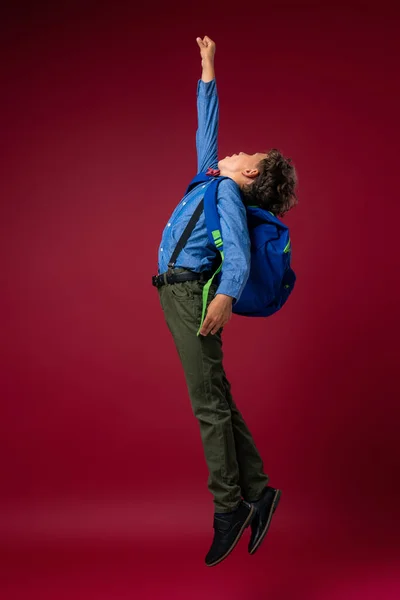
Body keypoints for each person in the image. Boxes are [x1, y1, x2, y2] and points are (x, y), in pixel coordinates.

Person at [152, 36, 297, 567]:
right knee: (218, 398)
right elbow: (206, 130)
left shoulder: (229, 196)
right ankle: (258, 490)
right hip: (177, 295)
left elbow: (236, 256)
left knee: (208, 406)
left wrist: (227, 298)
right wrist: (208, 69)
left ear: (251, 174)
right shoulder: (212, 180)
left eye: (248, 154)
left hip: (194, 297)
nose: (236, 151)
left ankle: (228, 507)